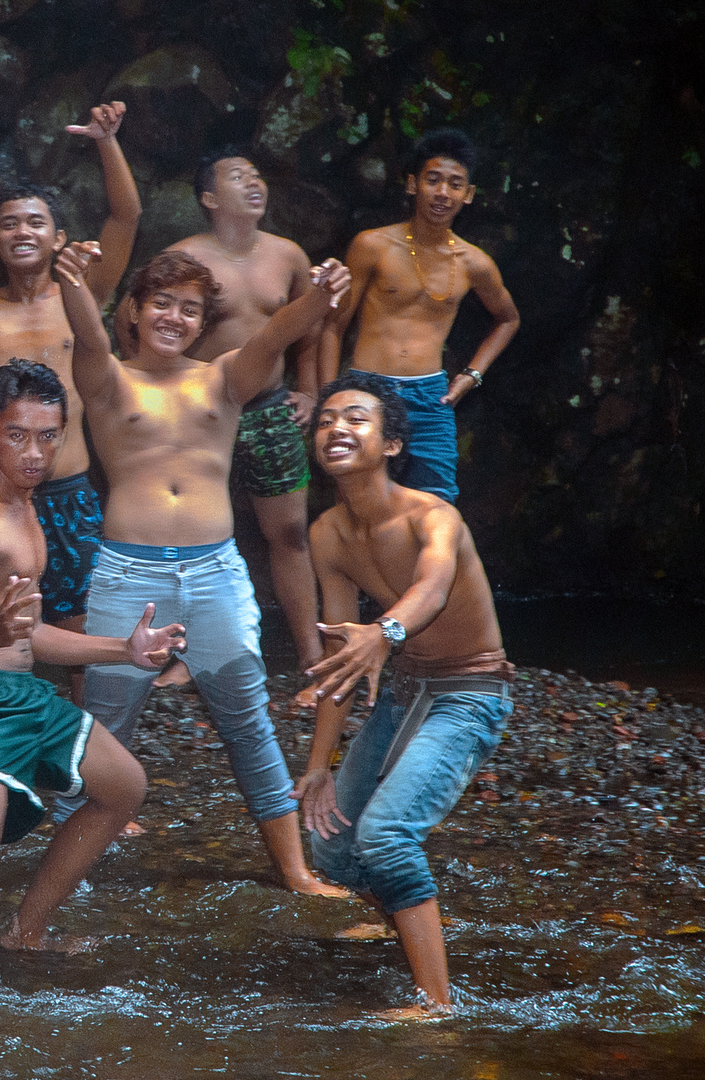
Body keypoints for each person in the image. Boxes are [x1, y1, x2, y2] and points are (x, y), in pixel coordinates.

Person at [50, 241, 349, 893]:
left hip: (215, 571)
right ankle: (63, 878)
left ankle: (295, 871)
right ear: (131, 310)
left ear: (202, 322)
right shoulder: (106, 379)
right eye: (162, 303)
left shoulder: (223, 378)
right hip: (129, 575)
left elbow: (274, 335)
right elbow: (83, 332)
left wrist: (321, 298)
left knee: (247, 722)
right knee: (101, 727)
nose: (174, 318)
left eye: (189, 309)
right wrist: (72, 280)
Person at [0, 360, 184, 987]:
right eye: (17, 435)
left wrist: (124, 650)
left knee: (124, 786)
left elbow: (32, 635)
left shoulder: (27, 510)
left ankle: (26, 930)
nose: (34, 453)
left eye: (48, 436)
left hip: (23, 690)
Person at [294, 370, 515, 1018]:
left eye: (355, 418)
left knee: (386, 835)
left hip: (470, 690)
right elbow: (343, 654)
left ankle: (435, 1005)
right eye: (327, 418)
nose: (336, 427)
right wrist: (316, 768)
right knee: (333, 845)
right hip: (404, 690)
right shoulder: (327, 534)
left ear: (391, 444)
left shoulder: (430, 515)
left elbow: (433, 587)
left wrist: (383, 632)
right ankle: (408, 921)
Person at [0, 94, 142, 697]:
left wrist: (106, 144)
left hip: (67, 489)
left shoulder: (82, 293)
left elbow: (126, 220)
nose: (22, 232)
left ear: (60, 236)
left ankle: (74, 742)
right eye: (10, 223)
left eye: (36, 221)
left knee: (73, 624)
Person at [119, 150, 329, 671]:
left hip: (269, 409)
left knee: (290, 533)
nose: (254, 183)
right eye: (239, 178)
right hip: (202, 410)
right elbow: (130, 316)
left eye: (258, 176)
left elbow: (311, 324)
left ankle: (312, 656)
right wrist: (156, 383)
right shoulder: (186, 258)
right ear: (210, 198)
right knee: (190, 534)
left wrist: (310, 389)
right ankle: (183, 661)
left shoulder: (289, 255)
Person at [320, 129, 520, 505]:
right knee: (359, 505)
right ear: (413, 185)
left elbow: (508, 319)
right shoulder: (372, 245)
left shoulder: (475, 263)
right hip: (367, 390)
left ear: (468, 195)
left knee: (438, 509)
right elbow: (334, 324)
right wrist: (330, 398)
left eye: (455, 184)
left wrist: (471, 376)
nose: (443, 192)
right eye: (433, 180)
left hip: (431, 399)